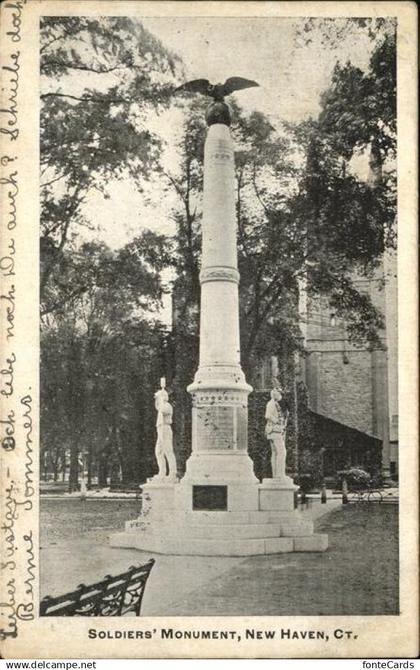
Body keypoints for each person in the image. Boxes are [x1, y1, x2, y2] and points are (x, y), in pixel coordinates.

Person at [154, 379, 177, 481]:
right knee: (159, 452)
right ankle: (162, 472)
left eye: (158, 398)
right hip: (160, 429)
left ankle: (172, 473)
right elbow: (158, 407)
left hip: (165, 428)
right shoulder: (161, 406)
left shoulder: (167, 406)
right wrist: (159, 399)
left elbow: (162, 409)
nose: (157, 400)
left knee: (168, 450)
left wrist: (162, 398)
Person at [265, 387, 289, 479]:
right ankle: (280, 475)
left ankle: (276, 475)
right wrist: (278, 421)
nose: (280, 396)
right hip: (275, 430)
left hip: (275, 430)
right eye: (279, 394)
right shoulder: (271, 403)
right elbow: (267, 415)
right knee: (281, 452)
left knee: (275, 452)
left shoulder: (275, 403)